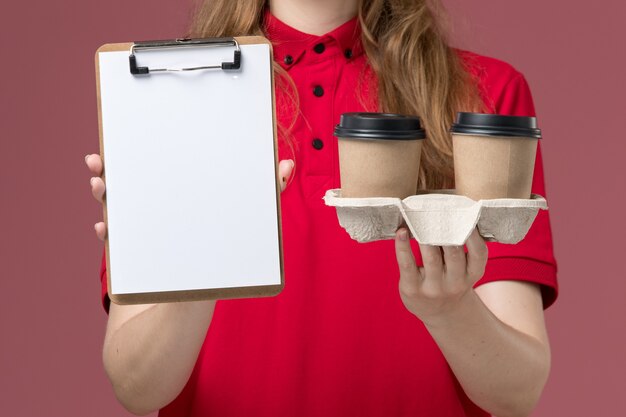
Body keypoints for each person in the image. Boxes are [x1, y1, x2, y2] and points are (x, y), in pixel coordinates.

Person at [84, 1, 558, 416]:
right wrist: (210, 260)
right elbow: (136, 387)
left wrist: (452, 312)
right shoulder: (166, 91)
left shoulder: (486, 97)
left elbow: (518, 392)